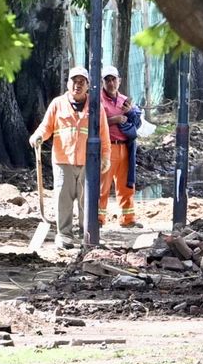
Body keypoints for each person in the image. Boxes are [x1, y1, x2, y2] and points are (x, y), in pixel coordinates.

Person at [29, 64, 111, 250]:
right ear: (68, 84)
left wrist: (105, 156)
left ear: (88, 85)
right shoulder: (57, 104)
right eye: (74, 81)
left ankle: (86, 233)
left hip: (88, 162)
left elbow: (104, 134)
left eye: (82, 82)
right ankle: (64, 235)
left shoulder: (96, 107)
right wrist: (38, 136)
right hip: (63, 160)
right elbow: (46, 126)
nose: (78, 85)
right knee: (63, 199)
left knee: (87, 199)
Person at [98, 64, 140, 228]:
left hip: (126, 147)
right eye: (107, 80)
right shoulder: (97, 100)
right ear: (102, 82)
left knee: (127, 185)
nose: (110, 83)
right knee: (103, 185)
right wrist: (113, 121)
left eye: (113, 79)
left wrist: (130, 113)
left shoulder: (125, 101)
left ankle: (128, 219)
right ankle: (99, 220)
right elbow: (94, 124)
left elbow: (137, 123)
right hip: (108, 148)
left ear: (119, 81)